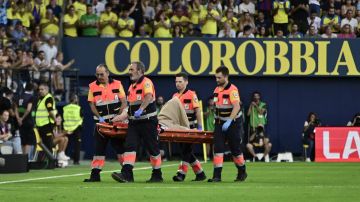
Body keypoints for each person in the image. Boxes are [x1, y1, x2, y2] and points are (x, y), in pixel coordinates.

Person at [111, 61, 163, 183]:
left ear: (140, 71)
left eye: (131, 69)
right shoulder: (131, 87)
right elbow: (129, 108)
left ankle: (157, 174)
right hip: (134, 123)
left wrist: (140, 109)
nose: (129, 72)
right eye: (129, 70)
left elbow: (148, 96)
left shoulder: (147, 82)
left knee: (153, 149)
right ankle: (127, 174)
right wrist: (118, 118)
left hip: (148, 121)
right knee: (129, 146)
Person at [84, 64, 127, 182]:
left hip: (115, 123)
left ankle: (126, 173)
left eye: (101, 74)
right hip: (101, 124)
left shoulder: (117, 84)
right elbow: (91, 104)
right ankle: (95, 175)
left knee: (120, 148)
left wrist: (119, 117)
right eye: (97, 74)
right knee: (99, 150)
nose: (99, 76)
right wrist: (99, 117)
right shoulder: (92, 86)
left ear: (107, 73)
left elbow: (124, 102)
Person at [208, 66, 247, 182]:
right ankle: (217, 176)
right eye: (216, 77)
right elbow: (216, 105)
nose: (217, 80)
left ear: (226, 77)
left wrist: (229, 120)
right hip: (220, 123)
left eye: (219, 78)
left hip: (233, 123)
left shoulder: (233, 90)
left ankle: (242, 171)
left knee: (235, 149)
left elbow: (237, 106)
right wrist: (216, 117)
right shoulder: (216, 90)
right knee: (218, 148)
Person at [172, 72, 206, 182]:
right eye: (176, 81)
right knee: (186, 152)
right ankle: (200, 174)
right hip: (179, 128)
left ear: (186, 82)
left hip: (191, 127)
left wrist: (200, 127)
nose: (178, 84)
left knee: (186, 150)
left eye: (180, 81)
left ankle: (181, 174)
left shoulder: (192, 94)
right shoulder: (174, 96)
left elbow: (197, 111)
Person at [14, 83, 36, 158]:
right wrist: (22, 118)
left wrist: (18, 119)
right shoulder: (31, 97)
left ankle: (23, 159)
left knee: (23, 140)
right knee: (28, 141)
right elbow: (28, 109)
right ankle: (25, 158)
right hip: (28, 121)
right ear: (32, 89)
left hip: (20, 123)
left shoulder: (19, 96)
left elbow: (16, 109)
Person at [35, 83, 56, 154]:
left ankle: (51, 163)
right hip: (41, 125)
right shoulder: (41, 99)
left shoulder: (48, 98)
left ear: (47, 90)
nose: (40, 91)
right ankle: (47, 162)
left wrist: (55, 120)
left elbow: (50, 111)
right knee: (44, 145)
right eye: (39, 89)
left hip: (46, 125)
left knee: (48, 145)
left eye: (42, 89)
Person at [63, 94, 83, 165]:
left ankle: (62, 160)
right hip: (76, 128)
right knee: (77, 145)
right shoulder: (78, 108)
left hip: (67, 128)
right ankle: (76, 161)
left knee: (65, 144)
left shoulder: (65, 108)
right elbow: (81, 117)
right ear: (75, 100)